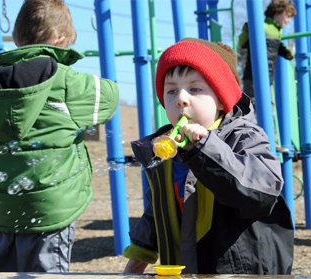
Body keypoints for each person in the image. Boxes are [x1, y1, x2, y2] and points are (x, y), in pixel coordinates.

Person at [0, 0, 119, 273]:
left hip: (7, 205)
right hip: (53, 208)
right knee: (47, 273)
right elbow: (108, 97)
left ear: (15, 39)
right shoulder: (65, 81)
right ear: (61, 40)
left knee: (3, 271)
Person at [122, 38, 294, 275]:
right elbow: (161, 208)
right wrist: (140, 253)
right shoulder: (168, 148)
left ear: (222, 101)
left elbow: (262, 191)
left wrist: (206, 147)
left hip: (240, 270)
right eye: (171, 90)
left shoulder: (243, 136)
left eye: (195, 89)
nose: (181, 98)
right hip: (187, 266)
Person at [238, 0, 296, 153]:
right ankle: (258, 140)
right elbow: (243, 44)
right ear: (278, 13)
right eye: (287, 16)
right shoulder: (263, 26)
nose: (288, 20)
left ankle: (267, 140)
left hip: (266, 77)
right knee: (255, 108)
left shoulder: (276, 30)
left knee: (265, 108)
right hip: (254, 76)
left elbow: (274, 47)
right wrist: (247, 29)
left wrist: (286, 51)